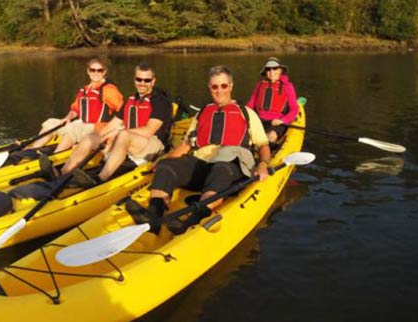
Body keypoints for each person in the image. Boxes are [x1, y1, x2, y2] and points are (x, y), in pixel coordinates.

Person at [143, 65, 272, 235]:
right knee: (166, 166)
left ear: (231, 86)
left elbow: (263, 145)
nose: (219, 91)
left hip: (230, 164)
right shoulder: (203, 113)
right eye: (215, 86)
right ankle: (154, 218)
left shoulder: (246, 113)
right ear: (209, 88)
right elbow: (186, 145)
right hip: (201, 164)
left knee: (221, 169)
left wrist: (263, 164)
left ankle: (193, 221)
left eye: (223, 86)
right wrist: (162, 160)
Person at [41, 63, 173, 187]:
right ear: (135, 80)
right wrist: (99, 137)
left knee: (123, 134)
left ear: (153, 81)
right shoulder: (131, 100)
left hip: (152, 145)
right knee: (90, 138)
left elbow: (149, 130)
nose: (142, 83)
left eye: (147, 80)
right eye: (139, 79)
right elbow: (113, 124)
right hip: (129, 140)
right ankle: (63, 172)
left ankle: (99, 179)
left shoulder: (160, 102)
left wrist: (116, 133)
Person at [28, 58, 124, 153]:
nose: (96, 73)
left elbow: (123, 111)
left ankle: (56, 156)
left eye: (99, 70)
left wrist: (117, 130)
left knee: (74, 129)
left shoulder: (109, 90)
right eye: (92, 70)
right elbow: (75, 109)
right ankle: (30, 151)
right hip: (82, 123)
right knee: (51, 123)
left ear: (104, 72)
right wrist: (67, 117)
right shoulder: (85, 90)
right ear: (88, 71)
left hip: (97, 128)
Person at [245, 57, 299, 143]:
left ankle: (267, 150)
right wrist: (240, 111)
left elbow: (294, 109)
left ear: (280, 70)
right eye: (268, 70)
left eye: (275, 69)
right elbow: (250, 105)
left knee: (271, 135)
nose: (272, 72)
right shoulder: (260, 85)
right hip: (260, 120)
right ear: (265, 72)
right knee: (247, 136)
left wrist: (283, 120)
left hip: (277, 122)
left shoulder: (287, 86)